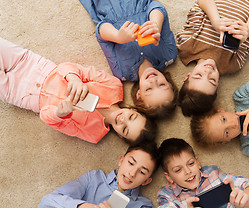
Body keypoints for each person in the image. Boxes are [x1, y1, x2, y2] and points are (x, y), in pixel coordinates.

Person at [0, 38, 157, 144]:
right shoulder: (114, 86)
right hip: (35, 66)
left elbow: (47, 117)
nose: (123, 120)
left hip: (23, 95)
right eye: (131, 116)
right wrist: (74, 79)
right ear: (133, 108)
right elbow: (68, 67)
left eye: (125, 129)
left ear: (121, 136)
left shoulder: (94, 134)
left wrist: (60, 114)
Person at [38, 142, 160, 208]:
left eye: (142, 172)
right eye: (131, 163)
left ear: (146, 181)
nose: (132, 173)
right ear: (121, 160)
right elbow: (45, 204)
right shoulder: (94, 178)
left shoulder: (143, 206)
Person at [79, 0, 178, 118]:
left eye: (149, 89)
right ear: (170, 84)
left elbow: (100, 31)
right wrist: (155, 24)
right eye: (161, 85)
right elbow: (156, 6)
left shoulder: (121, 73)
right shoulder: (169, 54)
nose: (153, 81)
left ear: (139, 95)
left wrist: (118, 37)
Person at [176, 0, 249, 116]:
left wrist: (216, 21)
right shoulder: (233, 64)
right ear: (217, 86)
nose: (208, 71)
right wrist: (247, 30)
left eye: (198, 75)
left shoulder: (187, 47)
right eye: (212, 80)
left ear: (187, 76)